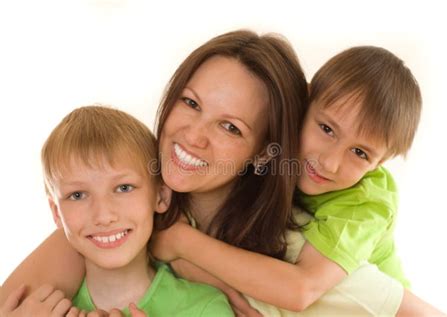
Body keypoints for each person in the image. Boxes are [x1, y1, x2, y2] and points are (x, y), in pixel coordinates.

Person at [0, 30, 422, 316]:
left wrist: (181, 244)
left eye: (230, 127)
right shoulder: (126, 204)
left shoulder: (303, 253)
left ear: (265, 152)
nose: (193, 137)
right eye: (191, 103)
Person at [150, 44, 445, 316]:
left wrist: (179, 241)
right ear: (305, 103)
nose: (329, 162)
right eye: (327, 129)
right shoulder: (280, 165)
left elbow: (301, 289)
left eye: (360, 153)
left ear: (379, 163)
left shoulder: (362, 205)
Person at [2, 105, 233, 316]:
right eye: (78, 195)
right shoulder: (34, 310)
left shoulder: (205, 308)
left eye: (124, 188)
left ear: (161, 196)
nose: (103, 216)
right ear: (56, 212)